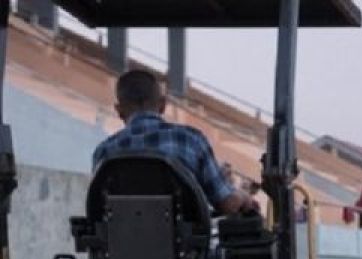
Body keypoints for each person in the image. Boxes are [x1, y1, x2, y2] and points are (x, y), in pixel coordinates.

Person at [93, 69, 256, 216]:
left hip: (122, 247)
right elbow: (228, 205)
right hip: (184, 248)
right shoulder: (191, 140)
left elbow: (99, 212)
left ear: (119, 110)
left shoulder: (104, 152)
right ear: (163, 105)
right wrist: (242, 193)